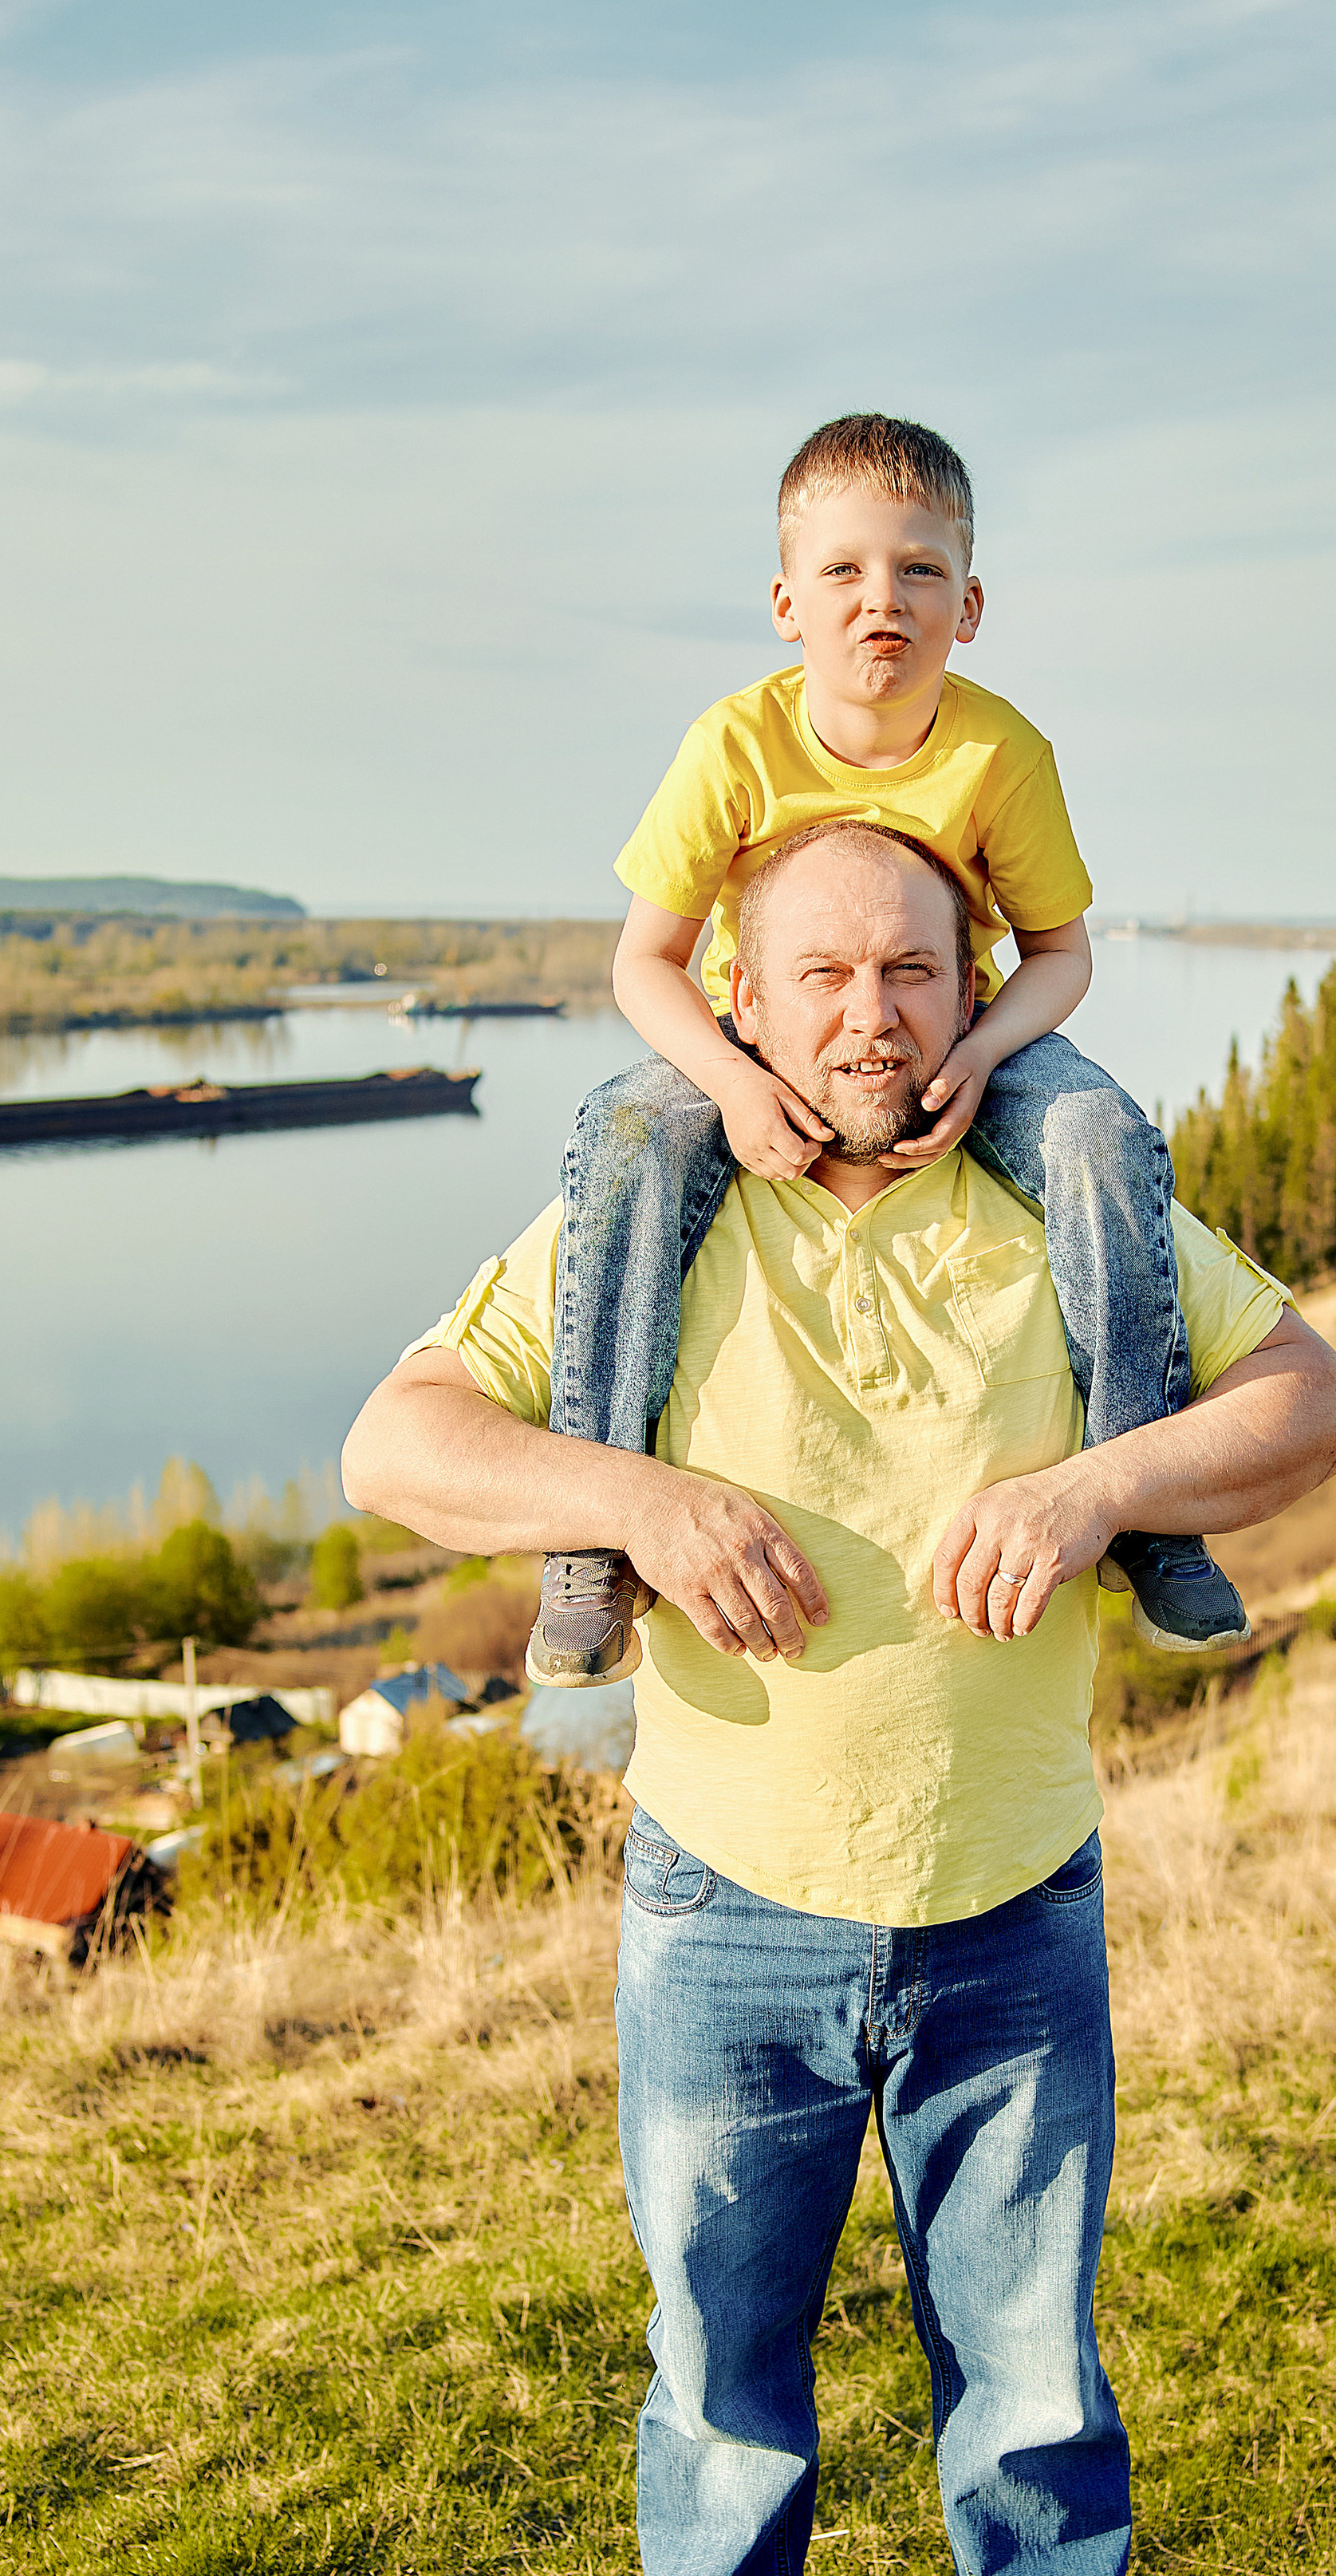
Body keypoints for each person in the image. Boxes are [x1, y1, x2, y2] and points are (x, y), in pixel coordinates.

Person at [341, 823, 1336, 2576]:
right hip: (727, 1908)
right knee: (721, 2371)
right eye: (819, 975)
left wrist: (1100, 1489)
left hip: (1015, 1900)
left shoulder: (1066, 1207)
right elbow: (397, 1445)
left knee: (1031, 2373)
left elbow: (1313, 1402)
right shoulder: (657, 1218)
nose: (868, 1012)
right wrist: (634, 1494)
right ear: (738, 989)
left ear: (972, 976)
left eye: (911, 969)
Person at [529, 409, 1251, 1693]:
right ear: (785, 601)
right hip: (757, 1053)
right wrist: (736, 1085)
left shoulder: (999, 751)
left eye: (921, 571)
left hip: (962, 1036)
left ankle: (1150, 1512)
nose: (884, 601)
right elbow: (642, 964)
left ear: (969, 605)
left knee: (1096, 1133)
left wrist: (987, 1057)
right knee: (630, 1133)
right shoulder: (734, 746)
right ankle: (594, 1542)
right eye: (846, 572)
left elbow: (1062, 956)